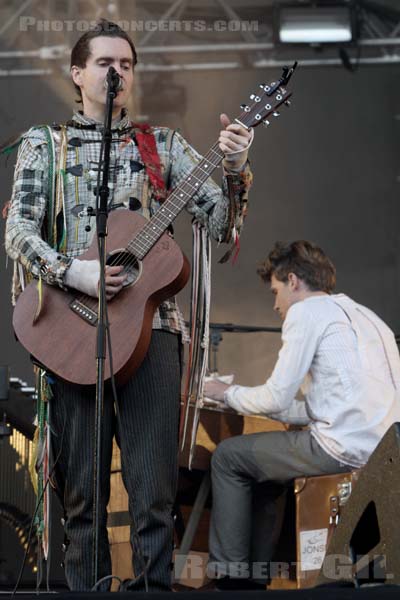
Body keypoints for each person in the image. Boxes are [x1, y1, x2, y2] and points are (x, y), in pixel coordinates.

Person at [5, 20, 253, 591]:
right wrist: (76, 272)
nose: (117, 72)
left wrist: (235, 168)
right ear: (77, 73)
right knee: (83, 498)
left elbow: (219, 223)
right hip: (71, 331)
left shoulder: (161, 143)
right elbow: (17, 228)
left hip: (154, 333)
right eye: (104, 63)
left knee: (153, 493)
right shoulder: (47, 143)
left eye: (127, 64)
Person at [204, 239, 400, 589]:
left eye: (276, 291)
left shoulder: (305, 312)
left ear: (293, 281)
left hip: (342, 448)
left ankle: (230, 581)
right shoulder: (369, 317)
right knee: (267, 470)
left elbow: (276, 398)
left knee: (227, 458)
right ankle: (256, 579)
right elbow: (324, 406)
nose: (276, 304)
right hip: (386, 455)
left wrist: (225, 393)